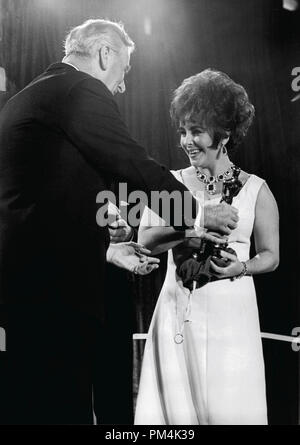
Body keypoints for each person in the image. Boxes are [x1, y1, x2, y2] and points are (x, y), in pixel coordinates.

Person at [0, 19, 238, 425]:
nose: (123, 85)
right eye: (124, 70)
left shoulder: (29, 97)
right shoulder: (79, 88)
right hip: (56, 288)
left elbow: (46, 198)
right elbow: (130, 162)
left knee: (30, 405)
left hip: (26, 284)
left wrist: (107, 245)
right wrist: (198, 214)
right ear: (104, 53)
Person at [135, 69, 280, 425]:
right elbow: (145, 242)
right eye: (183, 130)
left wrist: (241, 268)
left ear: (225, 134)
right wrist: (192, 230)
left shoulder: (257, 190)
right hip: (176, 314)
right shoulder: (170, 184)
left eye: (196, 130)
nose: (186, 140)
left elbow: (271, 256)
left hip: (233, 319)